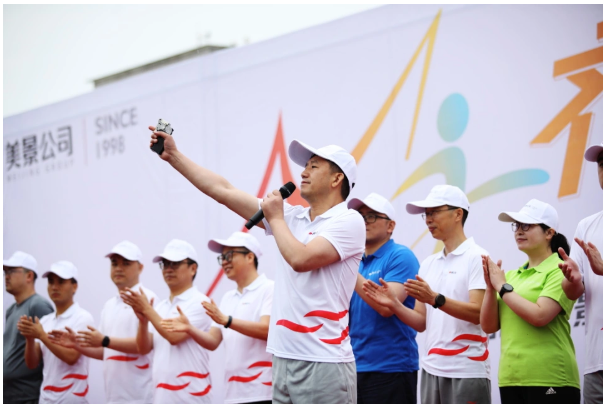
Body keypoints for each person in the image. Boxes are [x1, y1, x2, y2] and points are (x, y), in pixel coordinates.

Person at [149, 126, 364, 403]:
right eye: (305, 166)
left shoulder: (348, 221)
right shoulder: (292, 217)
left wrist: (275, 218)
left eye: (314, 166)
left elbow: (301, 259)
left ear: (337, 178)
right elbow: (223, 191)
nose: (303, 173)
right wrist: (174, 156)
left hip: (324, 361)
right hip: (282, 359)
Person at [480, 199, 580, 404]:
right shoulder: (511, 276)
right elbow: (488, 326)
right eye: (516, 225)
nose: (519, 231)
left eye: (526, 225)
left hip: (551, 377)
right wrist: (490, 287)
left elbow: (540, 316)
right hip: (510, 378)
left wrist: (502, 287)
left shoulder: (560, 269)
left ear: (549, 233)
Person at [162, 232, 274, 404]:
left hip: (262, 391)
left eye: (229, 255)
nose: (224, 262)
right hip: (233, 393)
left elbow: (267, 330)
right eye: (222, 258)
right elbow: (213, 341)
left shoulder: (269, 289)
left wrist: (228, 321)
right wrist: (190, 329)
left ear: (250, 257)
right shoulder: (228, 298)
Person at [404, 184, 491, 404]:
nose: (428, 219)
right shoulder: (428, 263)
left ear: (458, 214)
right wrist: (393, 305)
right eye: (426, 214)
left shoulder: (477, 257)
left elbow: (479, 314)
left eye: (434, 212)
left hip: (467, 369)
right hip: (431, 369)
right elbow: (421, 321)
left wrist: (435, 299)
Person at [48, 241, 158, 404]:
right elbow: (104, 351)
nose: (118, 268)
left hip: (141, 398)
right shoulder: (109, 305)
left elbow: (145, 346)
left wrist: (105, 340)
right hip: (113, 398)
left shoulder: (148, 299)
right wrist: (76, 345)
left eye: (126, 263)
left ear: (140, 268)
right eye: (114, 263)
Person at [347, 193, 420, 403]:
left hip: (391, 368)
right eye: (360, 217)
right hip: (353, 365)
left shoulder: (400, 256)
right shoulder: (356, 261)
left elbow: (387, 306)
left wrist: (348, 266)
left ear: (390, 226)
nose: (364, 222)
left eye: (371, 216)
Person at [121, 239, 213, 404]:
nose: (168, 269)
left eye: (175, 264)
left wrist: (147, 310)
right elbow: (143, 348)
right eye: (165, 264)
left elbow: (174, 337)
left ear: (193, 268)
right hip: (162, 397)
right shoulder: (161, 307)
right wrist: (143, 321)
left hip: (192, 397)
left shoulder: (201, 302)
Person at [558, 143, 603, 404]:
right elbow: (572, 292)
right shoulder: (587, 226)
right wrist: (572, 279)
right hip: (597, 362)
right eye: (601, 164)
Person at [17, 261, 94, 404]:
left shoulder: (83, 318)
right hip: (45, 399)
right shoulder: (45, 321)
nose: (54, 287)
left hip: (71, 400)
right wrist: (29, 339)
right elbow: (32, 364)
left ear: (74, 286)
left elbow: (72, 357)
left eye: (61, 281)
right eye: (51, 281)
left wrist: (42, 336)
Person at [3, 251, 54, 404]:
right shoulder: (11, 310)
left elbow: (50, 352)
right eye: (5, 272)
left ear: (29, 276)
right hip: (8, 395)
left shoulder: (38, 306)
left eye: (11, 271)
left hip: (26, 396)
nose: (6, 276)